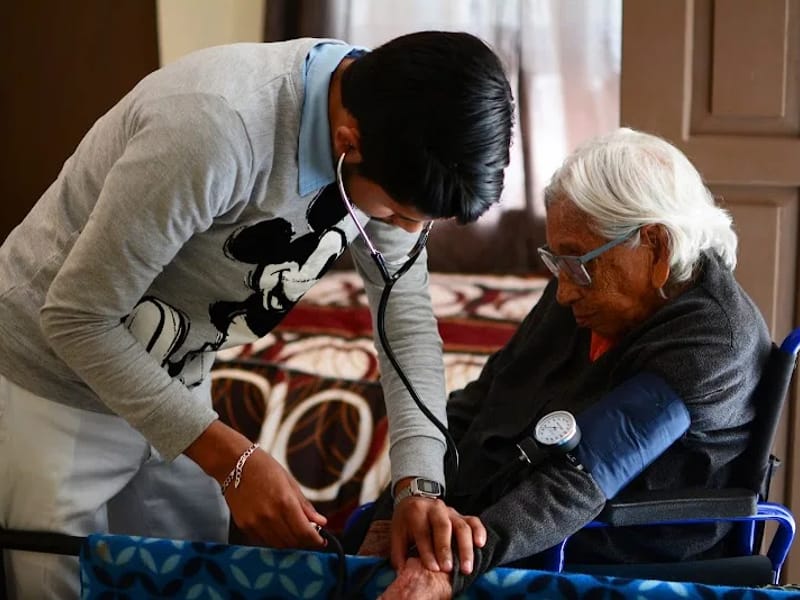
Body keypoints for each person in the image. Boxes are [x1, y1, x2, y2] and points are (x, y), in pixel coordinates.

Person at [0, 31, 514, 598]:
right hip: (54, 385)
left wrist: (418, 485)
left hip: (174, 373)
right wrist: (235, 460)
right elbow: (77, 318)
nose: (406, 236)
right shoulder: (214, 128)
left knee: (192, 584)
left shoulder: (398, 127)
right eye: (394, 213)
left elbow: (405, 319)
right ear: (348, 143)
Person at [356, 127, 772, 599]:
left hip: (608, 550)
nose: (564, 290)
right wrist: (401, 506)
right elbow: (479, 401)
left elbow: (583, 473)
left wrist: (447, 568)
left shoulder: (713, 340)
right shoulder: (582, 294)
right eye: (557, 262)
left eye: (577, 263)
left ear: (655, 247)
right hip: (504, 523)